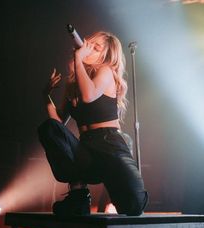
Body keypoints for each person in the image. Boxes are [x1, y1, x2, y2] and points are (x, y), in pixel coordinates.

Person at [38, 31, 148, 216]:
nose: (87, 49)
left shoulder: (106, 71)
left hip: (109, 144)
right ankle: (79, 194)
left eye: (95, 48)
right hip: (87, 149)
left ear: (105, 56)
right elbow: (58, 125)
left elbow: (89, 95)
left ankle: (118, 187)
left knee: (133, 206)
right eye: (89, 44)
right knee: (48, 128)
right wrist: (46, 96)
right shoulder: (74, 84)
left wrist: (78, 58)